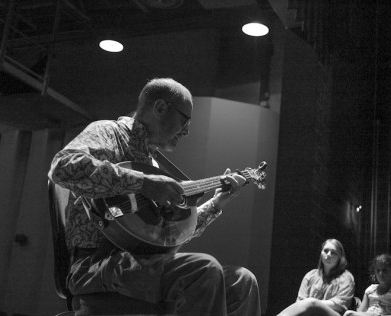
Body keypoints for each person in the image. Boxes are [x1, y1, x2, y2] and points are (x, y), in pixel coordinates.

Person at [48, 77, 261, 316]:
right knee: (204, 270)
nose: (187, 131)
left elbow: (165, 235)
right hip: (96, 268)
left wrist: (215, 204)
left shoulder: (153, 162)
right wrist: (143, 182)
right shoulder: (109, 133)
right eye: (185, 119)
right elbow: (62, 167)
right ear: (160, 108)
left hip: (143, 265)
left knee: (242, 281)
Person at [277, 238, 355, 316]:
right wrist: (310, 305)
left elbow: (339, 305)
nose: (328, 255)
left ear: (340, 257)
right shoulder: (310, 275)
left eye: (333, 252)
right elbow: (300, 303)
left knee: (311, 303)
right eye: (326, 251)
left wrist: (314, 304)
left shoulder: (346, 277)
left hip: (333, 314)